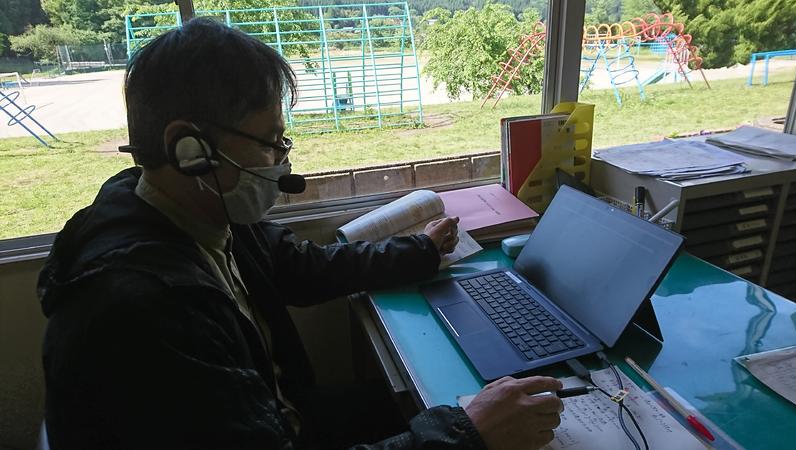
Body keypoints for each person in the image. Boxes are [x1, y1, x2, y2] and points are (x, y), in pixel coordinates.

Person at [38, 18, 563, 450]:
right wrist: (466, 436)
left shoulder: (196, 215)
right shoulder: (143, 313)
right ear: (190, 150)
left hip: (276, 417)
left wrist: (421, 251)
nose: (281, 162)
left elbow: (305, 268)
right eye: (270, 141)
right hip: (276, 429)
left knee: (426, 399)